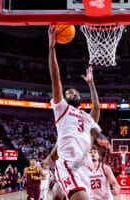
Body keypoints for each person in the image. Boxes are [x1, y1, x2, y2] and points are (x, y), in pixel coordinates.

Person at [45, 25, 110, 200]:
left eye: (76, 92)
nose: (74, 93)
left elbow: (96, 108)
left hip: (83, 167)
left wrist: (91, 83)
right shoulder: (62, 108)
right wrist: (52, 47)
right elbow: (55, 77)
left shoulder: (86, 118)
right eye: (69, 92)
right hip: (68, 163)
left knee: (58, 195)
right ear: (64, 98)